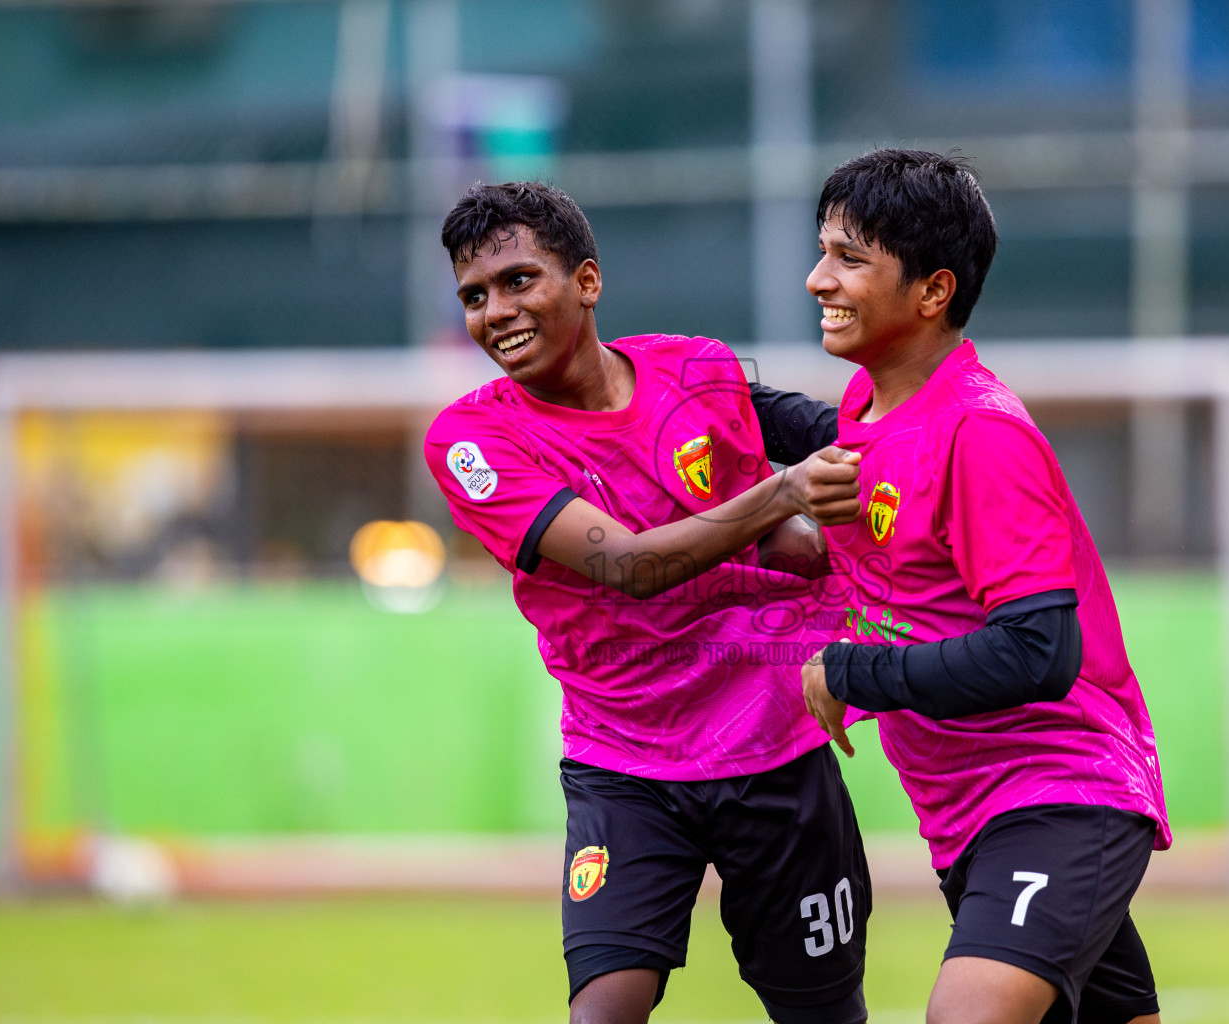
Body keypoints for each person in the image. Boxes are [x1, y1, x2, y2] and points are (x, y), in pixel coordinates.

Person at [423, 181, 872, 1024]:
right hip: (626, 764)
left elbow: (840, 436)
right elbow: (626, 567)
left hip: (773, 746)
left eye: (520, 280)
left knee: (825, 1014)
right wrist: (783, 498)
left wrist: (946, 433)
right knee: (604, 1010)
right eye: (475, 296)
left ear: (587, 281)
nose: (496, 312)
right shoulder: (471, 441)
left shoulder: (694, 368)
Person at [749, 149, 1171, 1024]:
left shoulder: (980, 432)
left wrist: (852, 671)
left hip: (1058, 791)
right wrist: (644, 379)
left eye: (849, 258)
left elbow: (1039, 651)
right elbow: (800, 422)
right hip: (971, 814)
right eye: (823, 249)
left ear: (933, 291)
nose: (816, 277)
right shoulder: (873, 409)